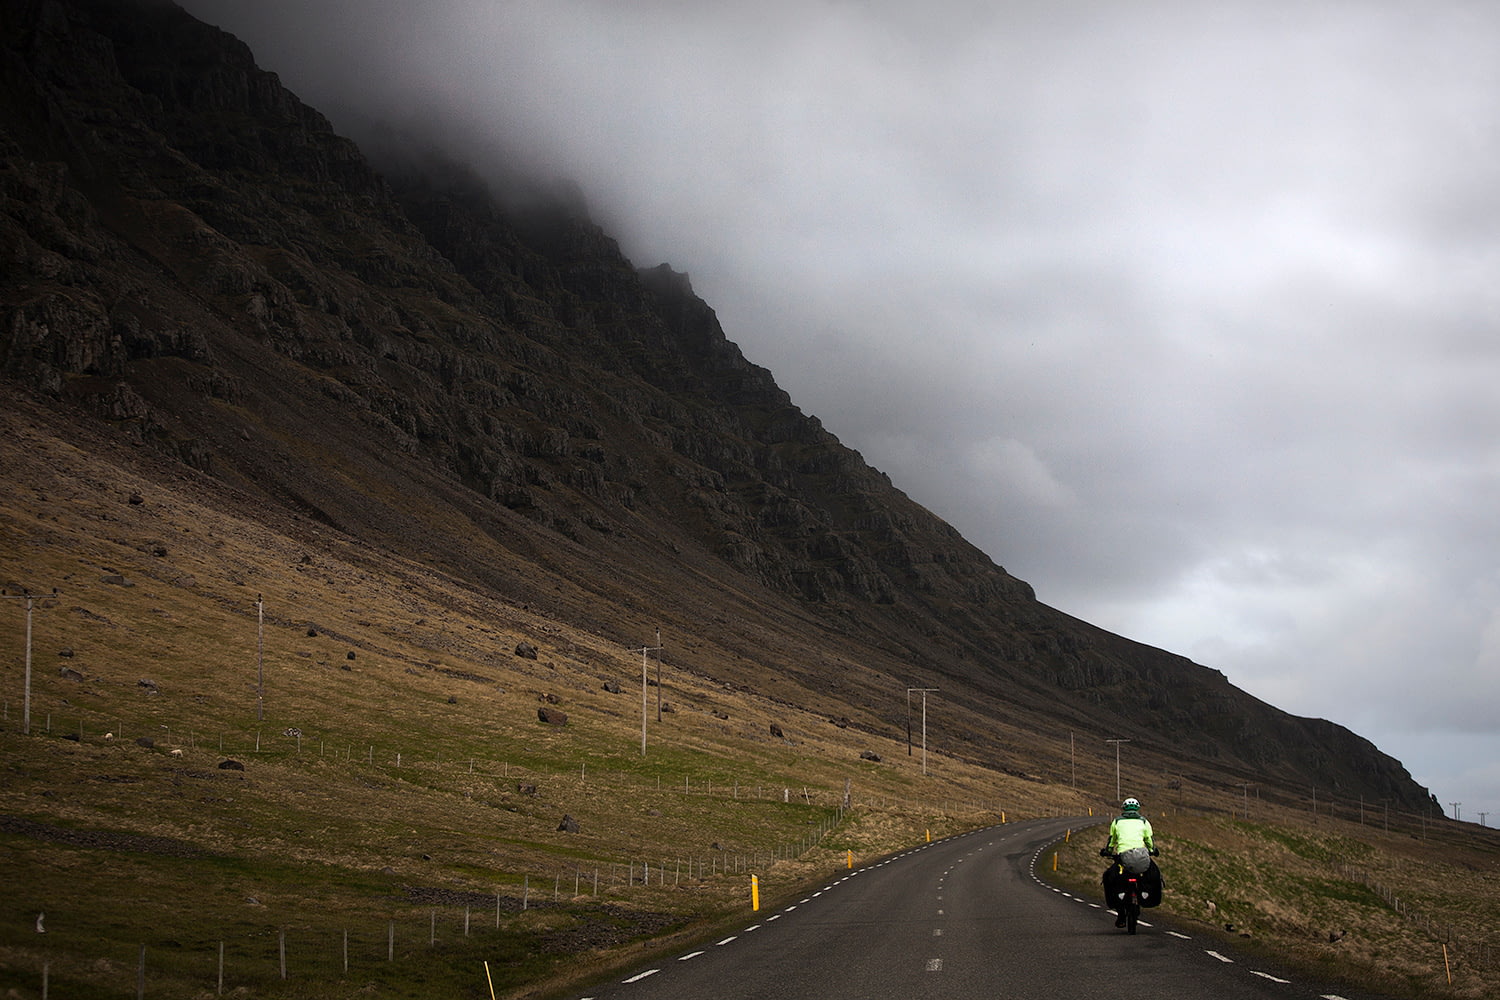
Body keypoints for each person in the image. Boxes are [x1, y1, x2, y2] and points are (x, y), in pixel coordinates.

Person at [1099, 797, 1160, 927]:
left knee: (1110, 878)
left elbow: (1112, 840)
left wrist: (1108, 851)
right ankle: (1146, 897)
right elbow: (1149, 839)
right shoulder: (1144, 821)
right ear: (1138, 809)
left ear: (1123, 809)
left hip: (1123, 857)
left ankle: (1120, 912)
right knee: (1154, 874)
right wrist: (1152, 850)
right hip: (1142, 856)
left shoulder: (1117, 821)